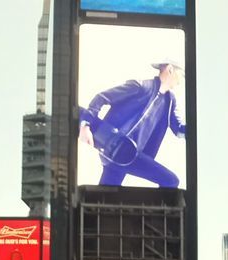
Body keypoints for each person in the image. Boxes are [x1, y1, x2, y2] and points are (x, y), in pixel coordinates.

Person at [79, 59, 187, 188]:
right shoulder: (141, 86)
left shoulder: (170, 102)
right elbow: (102, 97)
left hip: (132, 155)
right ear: (170, 69)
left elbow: (179, 130)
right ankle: (152, 208)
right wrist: (85, 126)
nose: (181, 80)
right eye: (182, 74)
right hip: (114, 144)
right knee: (170, 181)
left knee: (105, 196)